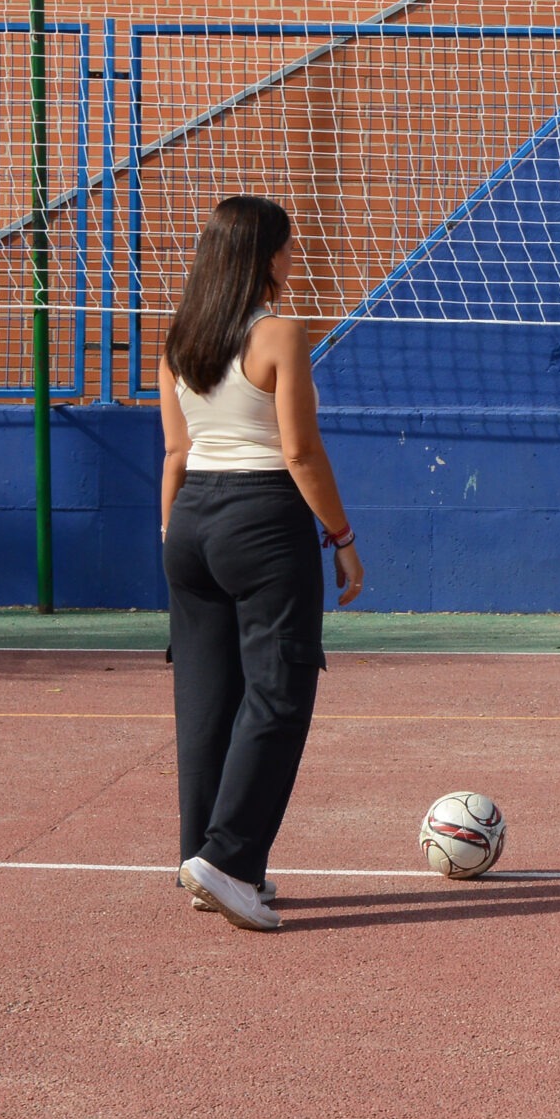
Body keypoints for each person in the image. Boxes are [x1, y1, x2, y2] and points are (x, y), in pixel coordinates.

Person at [159, 195, 365, 931]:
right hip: (262, 518)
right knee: (279, 690)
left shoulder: (179, 340)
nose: (292, 258)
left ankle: (203, 858)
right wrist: (342, 537)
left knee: (206, 700)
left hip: (190, 521)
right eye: (287, 246)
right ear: (263, 256)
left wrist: (173, 537)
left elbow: (176, 452)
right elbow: (300, 452)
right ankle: (231, 861)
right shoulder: (279, 333)